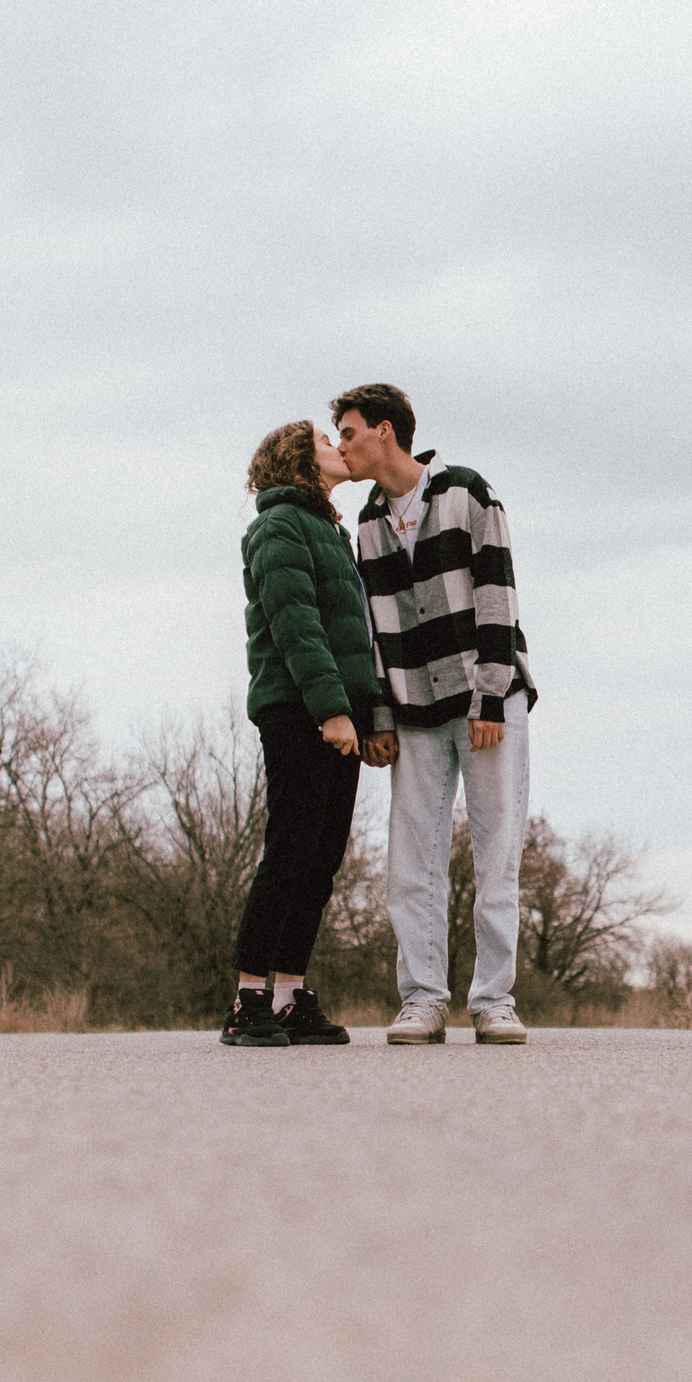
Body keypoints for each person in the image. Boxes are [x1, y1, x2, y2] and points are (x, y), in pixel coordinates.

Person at [329, 383, 538, 1047]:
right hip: (413, 709)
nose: (343, 448)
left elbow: (498, 591)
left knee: (495, 846)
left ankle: (493, 1001)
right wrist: (380, 717)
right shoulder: (366, 523)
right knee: (410, 859)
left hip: (486, 701)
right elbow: (373, 631)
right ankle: (422, 1000)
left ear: (385, 432)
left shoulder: (467, 492)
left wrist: (490, 696)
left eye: (351, 434)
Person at [224, 420, 387, 1049]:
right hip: (296, 709)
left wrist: (365, 719)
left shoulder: (331, 532)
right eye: (326, 442)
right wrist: (331, 712)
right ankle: (246, 999)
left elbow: (353, 640)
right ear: (298, 461)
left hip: (333, 712)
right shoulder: (277, 526)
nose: (339, 449)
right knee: (289, 851)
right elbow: (297, 626)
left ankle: (290, 997)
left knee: (323, 856)